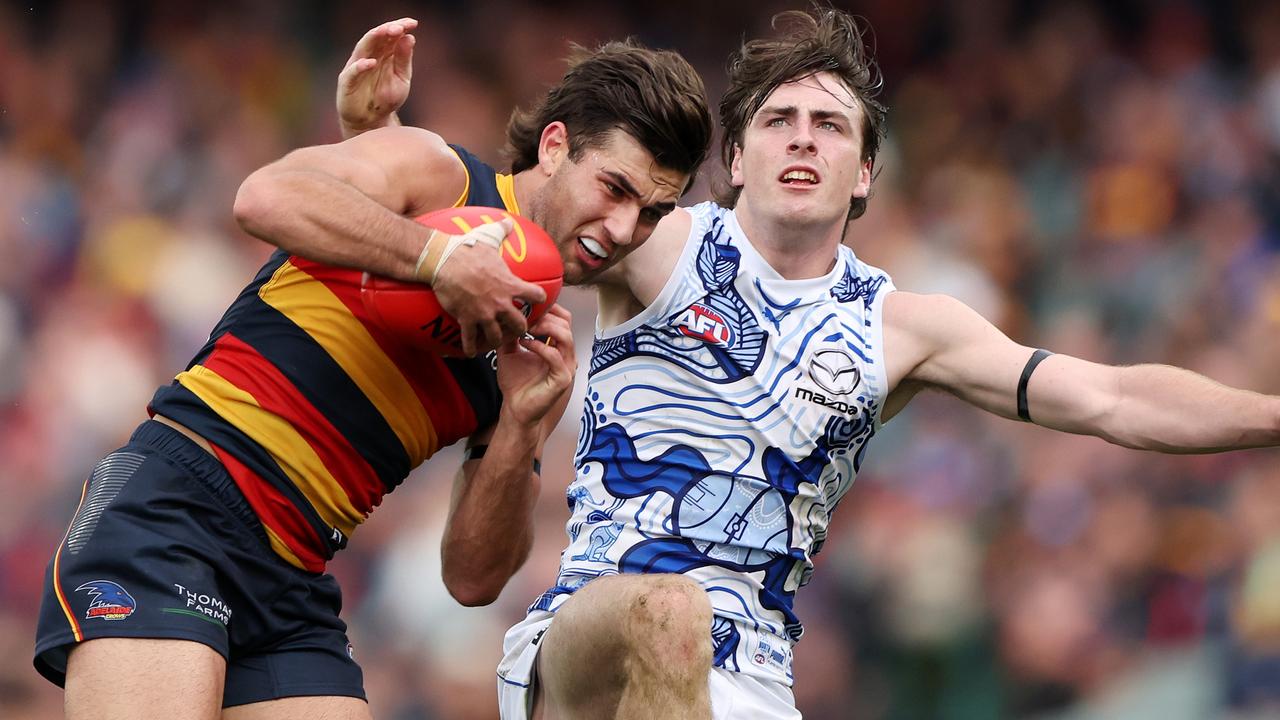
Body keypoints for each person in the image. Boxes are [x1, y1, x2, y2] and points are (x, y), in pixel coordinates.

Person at [343, 8, 1280, 720]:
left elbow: (1114, 398)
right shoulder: (653, 245)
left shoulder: (906, 329)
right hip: (588, 640)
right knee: (670, 612)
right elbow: (490, 218)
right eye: (779, 120)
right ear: (737, 161)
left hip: (752, 682)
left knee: (698, 636)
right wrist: (373, 147)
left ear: (866, 172)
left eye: (830, 126)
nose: (802, 137)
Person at [32, 16, 712, 720]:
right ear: (555, 144)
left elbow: (473, 579)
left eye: (652, 213)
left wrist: (519, 425)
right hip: (180, 511)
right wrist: (437, 258)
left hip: (294, 573)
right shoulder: (443, 174)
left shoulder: (535, 344)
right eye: (616, 189)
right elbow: (263, 196)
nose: (625, 229)